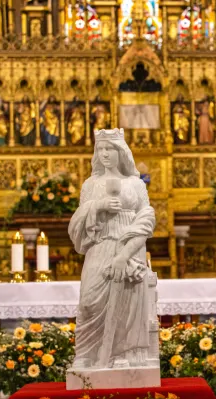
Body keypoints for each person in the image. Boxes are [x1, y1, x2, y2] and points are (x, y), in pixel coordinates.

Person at [68, 128, 156, 369]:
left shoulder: (135, 184)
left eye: (110, 148)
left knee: (127, 303)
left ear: (121, 152)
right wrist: (97, 206)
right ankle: (87, 352)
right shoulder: (90, 184)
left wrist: (125, 254)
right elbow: (77, 221)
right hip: (100, 246)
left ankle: (120, 355)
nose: (105, 153)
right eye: (101, 149)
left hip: (128, 249)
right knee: (89, 301)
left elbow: (146, 220)